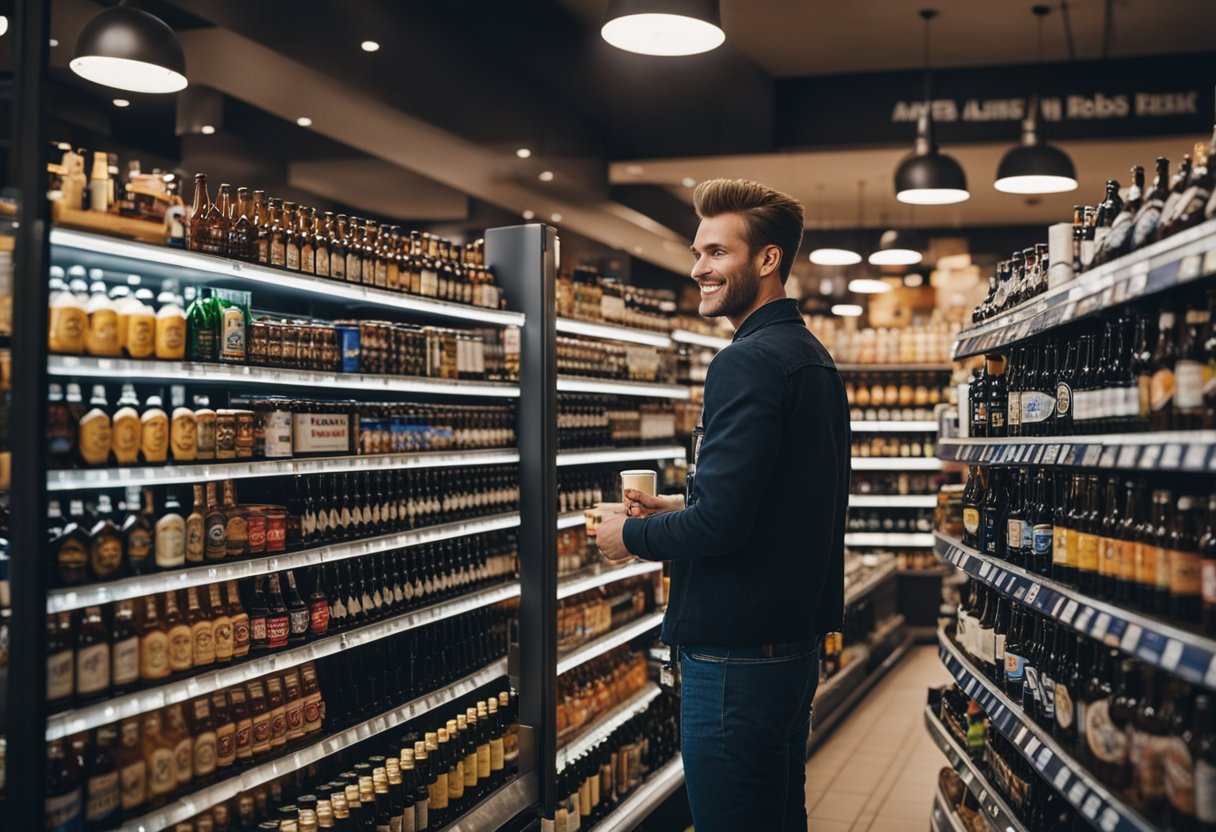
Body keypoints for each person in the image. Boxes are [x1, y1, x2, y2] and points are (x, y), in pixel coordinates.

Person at [594, 178, 850, 831]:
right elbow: (779, 498)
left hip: (735, 659)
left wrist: (630, 537)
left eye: (716, 253)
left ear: (767, 260)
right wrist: (679, 503)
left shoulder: (745, 362)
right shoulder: (811, 357)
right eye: (697, 252)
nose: (698, 269)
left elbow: (722, 525)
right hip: (787, 646)